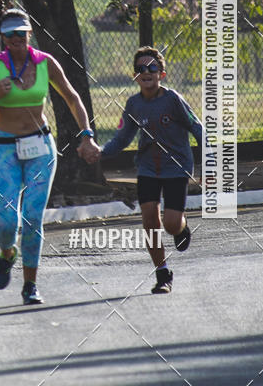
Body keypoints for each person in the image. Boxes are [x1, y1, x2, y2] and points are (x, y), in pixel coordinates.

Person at [0, 0, 96, 304]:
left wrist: (87, 135)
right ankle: (7, 252)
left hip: (41, 147)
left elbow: (72, 96)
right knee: (6, 222)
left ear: (29, 34)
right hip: (5, 150)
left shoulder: (45, 62)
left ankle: (30, 285)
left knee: (32, 217)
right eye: (10, 34)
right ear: (2, 36)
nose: (16, 39)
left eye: (21, 33)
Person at [80, 46, 203, 294]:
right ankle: (162, 274)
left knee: (169, 224)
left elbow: (197, 128)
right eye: (140, 69)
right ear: (135, 76)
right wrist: (100, 151)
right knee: (149, 219)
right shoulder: (133, 104)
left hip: (177, 168)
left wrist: (211, 162)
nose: (146, 72)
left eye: (152, 68)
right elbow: (122, 139)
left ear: (162, 74)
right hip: (147, 168)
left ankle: (181, 225)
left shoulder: (173, 100)